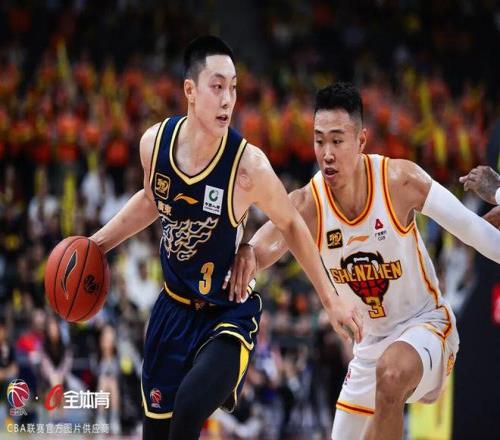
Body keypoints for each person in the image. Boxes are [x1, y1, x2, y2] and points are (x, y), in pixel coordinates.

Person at [89, 37, 362, 440]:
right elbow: (151, 199)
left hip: (226, 312)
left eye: (233, 88)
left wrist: (331, 299)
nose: (227, 99)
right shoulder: (154, 144)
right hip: (171, 312)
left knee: (189, 405)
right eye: (217, 87)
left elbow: (291, 224)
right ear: (190, 90)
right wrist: (96, 245)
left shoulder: (248, 165)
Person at [227, 82, 500, 440]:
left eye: (337, 141)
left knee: (391, 373)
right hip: (369, 348)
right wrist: (244, 255)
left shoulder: (400, 180)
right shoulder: (308, 204)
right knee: (378, 382)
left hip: (426, 326)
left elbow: (478, 233)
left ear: (361, 141)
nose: (327, 153)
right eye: (319, 140)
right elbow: (260, 250)